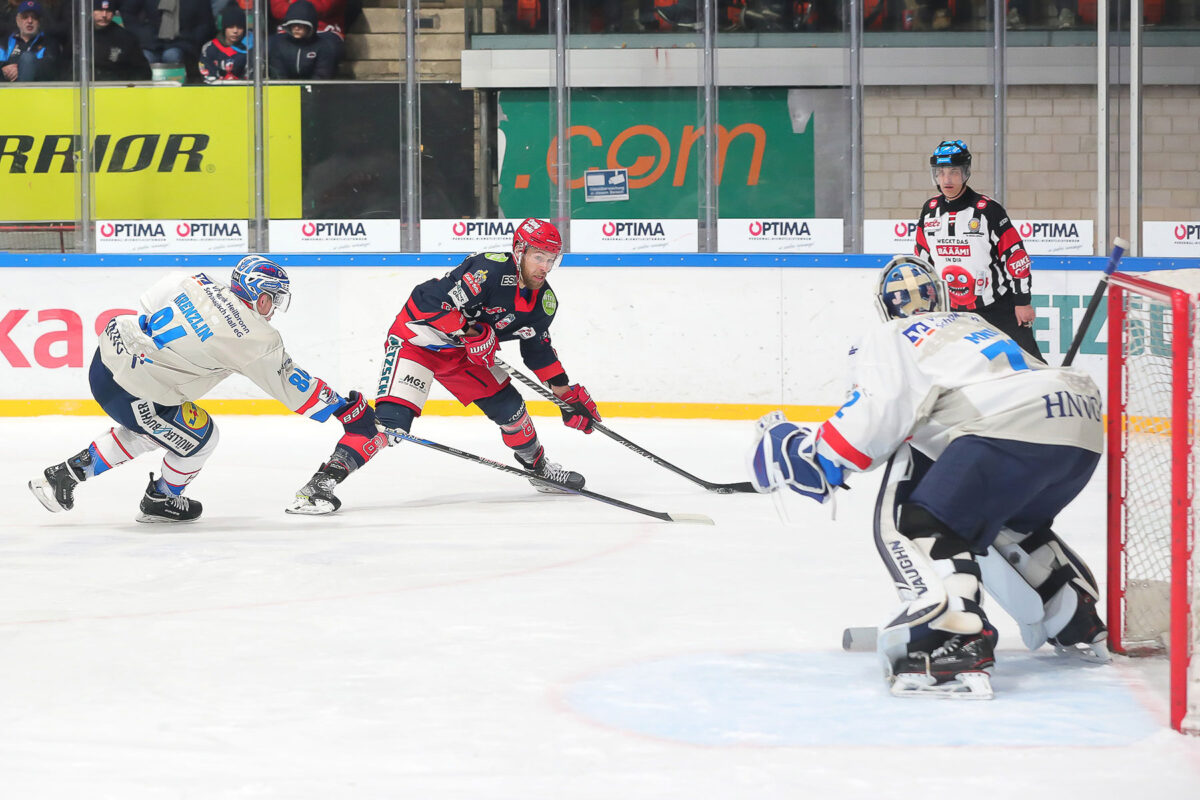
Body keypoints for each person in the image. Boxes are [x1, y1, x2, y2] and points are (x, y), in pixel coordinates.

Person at [748, 255, 1108, 699]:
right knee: (1005, 520)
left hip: (1007, 425)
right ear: (938, 295)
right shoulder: (973, 324)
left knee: (922, 520)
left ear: (886, 306)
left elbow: (882, 411)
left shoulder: (891, 333)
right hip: (1080, 426)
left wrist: (814, 453)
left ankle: (950, 633)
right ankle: (1070, 609)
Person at [28, 256, 386, 524]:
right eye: (272, 297)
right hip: (135, 392)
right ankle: (162, 500)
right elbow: (294, 388)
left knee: (163, 431)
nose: (273, 307)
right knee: (201, 439)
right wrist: (343, 408)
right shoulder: (255, 336)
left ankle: (65, 474)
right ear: (259, 294)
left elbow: (148, 304)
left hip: (106, 358)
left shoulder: (195, 281)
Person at [288, 218, 601, 515]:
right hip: (418, 342)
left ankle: (539, 469)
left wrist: (566, 397)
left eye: (552, 259)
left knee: (512, 409)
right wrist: (470, 331)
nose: (544, 267)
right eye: (538, 257)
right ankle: (319, 485)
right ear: (519, 250)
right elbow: (425, 301)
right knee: (389, 425)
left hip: (463, 354)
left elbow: (537, 351)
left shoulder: (544, 302)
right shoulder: (489, 269)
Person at [915, 139, 1044, 363]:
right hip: (952, 313)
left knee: (1030, 364)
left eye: (954, 172)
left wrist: (1022, 301)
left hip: (998, 309)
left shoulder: (988, 210)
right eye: (941, 172)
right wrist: (927, 301)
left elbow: (1015, 256)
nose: (946, 179)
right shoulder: (929, 211)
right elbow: (923, 259)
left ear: (965, 173)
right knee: (961, 369)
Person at [120, 0, 215, 79]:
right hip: (151, 41)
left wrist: (190, 37)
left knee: (172, 55)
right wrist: (143, 33)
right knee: (146, 57)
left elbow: (206, 23)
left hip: (183, 42)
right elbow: (128, 12)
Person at [267, 0, 338, 79]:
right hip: (286, 88)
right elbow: (278, 75)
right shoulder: (279, 45)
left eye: (300, 25)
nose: (296, 28)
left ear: (310, 27)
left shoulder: (323, 47)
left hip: (314, 88)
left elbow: (321, 76)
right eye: (293, 25)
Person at [92, 0, 152, 82]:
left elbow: (142, 71)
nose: (104, 15)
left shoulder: (126, 38)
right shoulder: (77, 35)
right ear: (90, 11)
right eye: (99, 10)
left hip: (116, 88)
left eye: (109, 11)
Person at [0, 1, 59, 82]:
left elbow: (50, 68)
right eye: (25, 17)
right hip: (5, 91)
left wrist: (23, 68)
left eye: (34, 17)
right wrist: (2, 69)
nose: (30, 21)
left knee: (27, 58)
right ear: (18, 21)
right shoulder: (4, 42)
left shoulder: (49, 44)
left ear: (39, 22)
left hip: (36, 92)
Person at [198, 3, 249, 82]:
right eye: (231, 27)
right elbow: (208, 77)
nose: (235, 31)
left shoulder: (250, 48)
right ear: (224, 27)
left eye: (239, 27)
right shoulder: (210, 48)